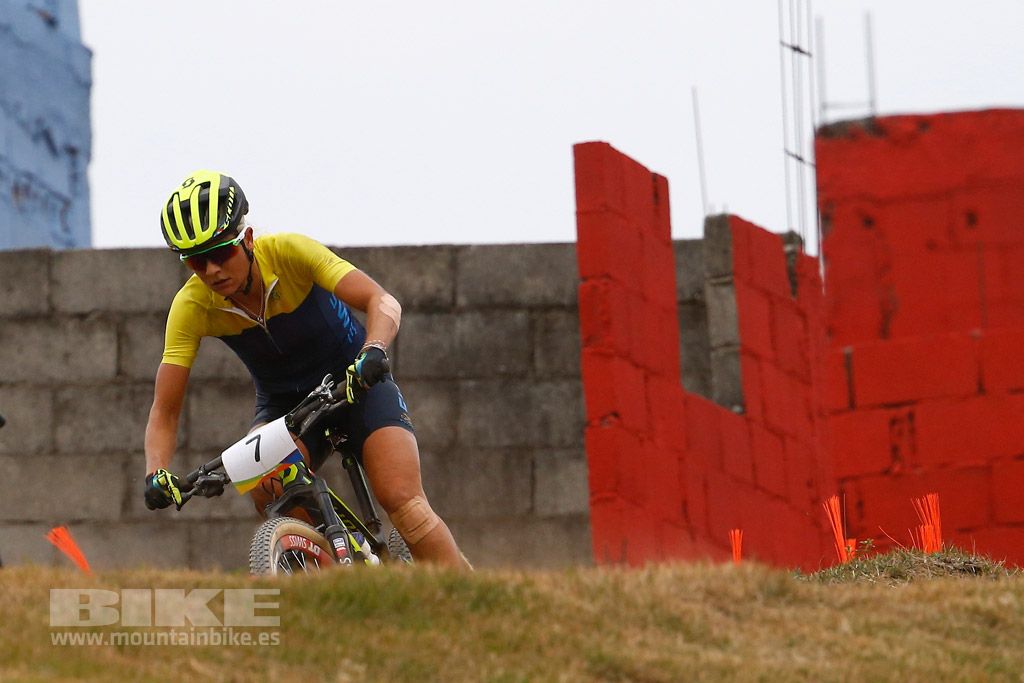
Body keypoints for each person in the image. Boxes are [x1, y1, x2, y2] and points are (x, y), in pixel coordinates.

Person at [143, 170, 469, 568]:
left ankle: (471, 603)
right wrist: (156, 471)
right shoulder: (191, 306)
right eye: (196, 261)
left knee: (406, 505)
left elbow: (381, 300)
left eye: (221, 253)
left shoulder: (290, 253)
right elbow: (165, 408)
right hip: (285, 405)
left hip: (356, 382)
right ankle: (335, 578)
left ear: (246, 240)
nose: (211, 270)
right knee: (265, 486)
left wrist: (374, 351)